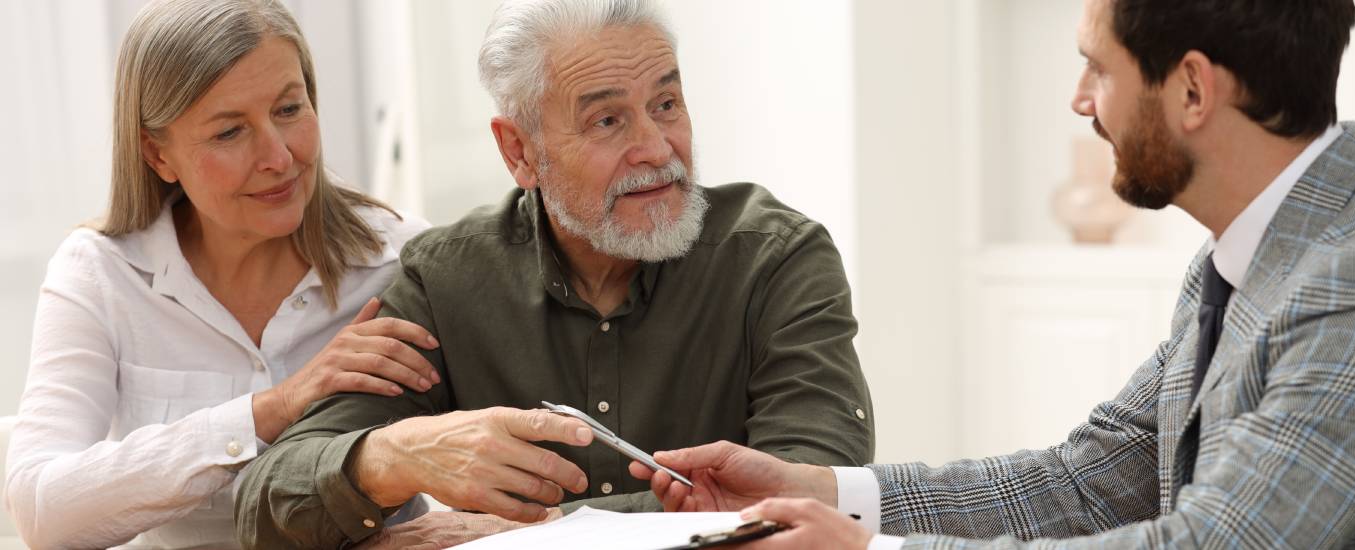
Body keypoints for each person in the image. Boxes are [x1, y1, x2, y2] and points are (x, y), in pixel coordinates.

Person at [634, 0, 1355, 547]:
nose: (1081, 100)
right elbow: (1085, 481)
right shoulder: (1236, 261)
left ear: (1192, 88)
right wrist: (823, 490)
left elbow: (1214, 542)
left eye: (1099, 68)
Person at [235, 0, 876, 547]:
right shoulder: (447, 280)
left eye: (667, 103)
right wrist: (393, 457)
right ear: (520, 151)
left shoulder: (777, 260)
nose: (656, 147)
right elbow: (265, 509)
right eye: (607, 120)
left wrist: (521, 534)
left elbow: (812, 501)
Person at [0, 0, 462, 547]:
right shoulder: (102, 274)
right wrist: (274, 408)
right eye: (229, 133)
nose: (279, 157)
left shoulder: (399, 257)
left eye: (289, 110)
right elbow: (41, 512)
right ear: (158, 155)